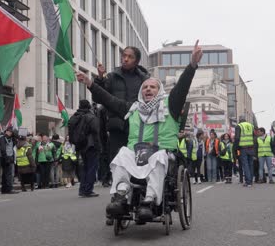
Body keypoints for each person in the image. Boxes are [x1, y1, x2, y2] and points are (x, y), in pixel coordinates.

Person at [77, 40, 202, 221]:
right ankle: (121, 195)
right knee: (122, 153)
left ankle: (149, 201)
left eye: (152, 87)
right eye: (145, 87)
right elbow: (109, 100)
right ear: (141, 92)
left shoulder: (170, 105)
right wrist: (90, 83)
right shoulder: (133, 108)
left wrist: (192, 65)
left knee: (158, 157)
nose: (148, 89)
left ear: (159, 91)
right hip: (138, 154)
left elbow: (182, 87)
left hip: (163, 152)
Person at [93, 46, 150, 182]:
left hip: (138, 128)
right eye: (124, 55)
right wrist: (100, 78)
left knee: (139, 163)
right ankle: (119, 193)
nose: (125, 59)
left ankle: (139, 191)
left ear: (137, 61)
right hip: (117, 128)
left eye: (130, 57)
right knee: (118, 162)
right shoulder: (112, 77)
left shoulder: (144, 80)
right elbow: (98, 97)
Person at [69, 99, 101, 197]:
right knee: (91, 167)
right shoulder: (91, 117)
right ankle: (88, 190)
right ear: (88, 106)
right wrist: (99, 146)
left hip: (80, 145)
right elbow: (96, 131)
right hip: (91, 145)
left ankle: (82, 189)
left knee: (84, 168)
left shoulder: (74, 116)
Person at [233, 116, 256, 187]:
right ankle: (250, 181)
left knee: (245, 165)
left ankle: (248, 181)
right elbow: (254, 137)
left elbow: (237, 138)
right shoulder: (251, 125)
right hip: (251, 147)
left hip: (243, 148)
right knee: (250, 164)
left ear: (239, 120)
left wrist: (236, 147)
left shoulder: (239, 126)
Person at [0, 126, 18, 194]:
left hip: (10, 157)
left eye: (11, 132)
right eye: (9, 131)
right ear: (5, 131)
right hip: (5, 158)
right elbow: (3, 149)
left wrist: (13, 133)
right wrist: (6, 158)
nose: (10, 133)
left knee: (5, 174)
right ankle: (9, 189)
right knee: (9, 174)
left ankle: (4, 189)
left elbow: (16, 137)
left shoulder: (12, 139)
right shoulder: (2, 138)